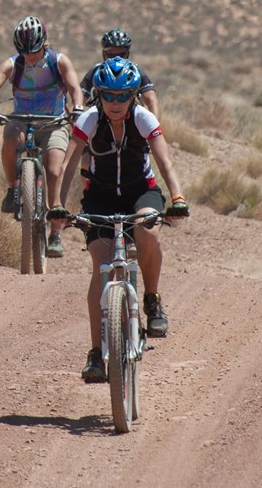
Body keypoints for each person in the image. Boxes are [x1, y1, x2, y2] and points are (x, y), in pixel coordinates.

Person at [46, 57, 189, 383]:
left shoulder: (143, 117)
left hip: (142, 192)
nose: (114, 102)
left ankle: (151, 301)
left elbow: (165, 162)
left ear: (133, 95)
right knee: (101, 265)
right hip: (101, 195)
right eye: (108, 95)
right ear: (98, 95)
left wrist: (178, 197)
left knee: (148, 229)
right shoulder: (90, 120)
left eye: (122, 96)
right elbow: (69, 166)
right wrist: (57, 205)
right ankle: (96, 352)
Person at [0, 16, 83, 258]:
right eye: (24, 51)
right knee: (10, 139)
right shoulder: (14, 64)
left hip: (54, 123)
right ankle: (13, 188)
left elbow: (75, 88)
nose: (30, 56)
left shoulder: (58, 61)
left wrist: (77, 107)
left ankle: (55, 233)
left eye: (33, 51)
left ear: (44, 43)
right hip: (22, 119)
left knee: (54, 170)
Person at [80, 29, 158, 117]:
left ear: (127, 54)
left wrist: (155, 125)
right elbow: (78, 100)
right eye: (111, 54)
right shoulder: (95, 72)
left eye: (121, 54)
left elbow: (152, 101)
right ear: (103, 54)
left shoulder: (136, 72)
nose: (116, 58)